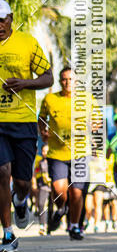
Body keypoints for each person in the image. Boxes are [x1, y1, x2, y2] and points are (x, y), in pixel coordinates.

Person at [0, 0, 53, 252]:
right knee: (2, 172)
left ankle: (20, 201)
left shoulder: (27, 42)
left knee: (22, 181)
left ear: (10, 17)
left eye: (2, 19)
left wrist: (24, 83)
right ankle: (8, 233)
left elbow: (48, 77)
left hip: (23, 121)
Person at [38, 67, 91, 241]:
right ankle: (61, 209)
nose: (67, 82)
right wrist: (42, 131)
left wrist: (93, 127)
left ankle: (75, 226)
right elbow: (41, 118)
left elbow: (97, 121)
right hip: (57, 153)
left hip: (80, 152)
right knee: (59, 191)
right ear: (60, 81)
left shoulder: (87, 99)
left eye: (70, 79)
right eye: (64, 79)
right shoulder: (50, 99)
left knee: (77, 192)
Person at [33, 142, 51, 234]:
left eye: (47, 151)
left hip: (52, 186)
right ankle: (42, 225)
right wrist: (34, 183)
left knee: (52, 207)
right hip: (43, 186)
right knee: (41, 204)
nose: (45, 153)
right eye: (43, 151)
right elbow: (35, 173)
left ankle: (51, 225)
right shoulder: (40, 162)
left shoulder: (54, 162)